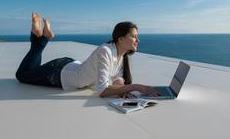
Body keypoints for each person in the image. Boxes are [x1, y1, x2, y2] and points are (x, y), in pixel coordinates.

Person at [15, 12, 160, 98]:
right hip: (59, 73)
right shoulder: (106, 50)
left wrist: (121, 90)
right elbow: (102, 90)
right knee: (22, 75)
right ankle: (42, 38)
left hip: (69, 66)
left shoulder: (121, 54)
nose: (137, 40)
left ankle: (41, 35)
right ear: (120, 38)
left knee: (33, 69)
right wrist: (136, 87)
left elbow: (118, 78)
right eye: (134, 36)